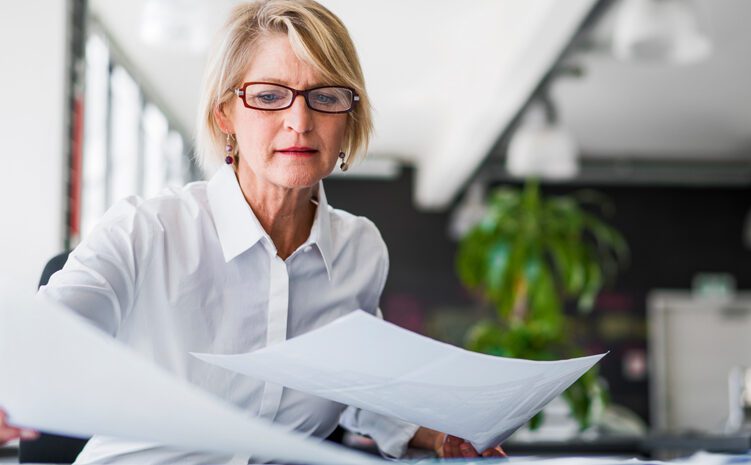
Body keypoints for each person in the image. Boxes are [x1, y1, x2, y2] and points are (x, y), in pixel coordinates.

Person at [0, 0, 506, 463]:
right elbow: (35, 344)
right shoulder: (145, 231)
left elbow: (351, 385)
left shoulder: (360, 251)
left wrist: (433, 433)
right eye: (268, 96)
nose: (300, 122)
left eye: (326, 96)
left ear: (349, 118)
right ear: (226, 115)